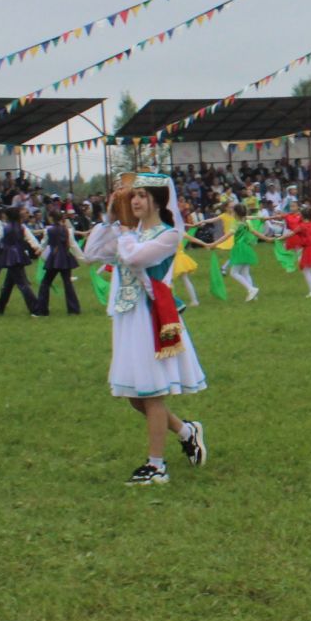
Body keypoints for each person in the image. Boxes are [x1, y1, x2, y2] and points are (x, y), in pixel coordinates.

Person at [81, 173, 209, 486]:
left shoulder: (168, 235)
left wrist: (123, 230)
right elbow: (91, 254)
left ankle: (156, 466)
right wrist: (110, 219)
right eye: (131, 195)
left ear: (157, 198)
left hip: (151, 318)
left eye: (141, 195)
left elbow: (134, 257)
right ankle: (185, 430)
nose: (135, 201)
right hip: (127, 318)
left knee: (152, 394)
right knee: (135, 395)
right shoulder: (129, 232)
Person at [0, 206, 46, 315]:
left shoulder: (4, 228)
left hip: (9, 256)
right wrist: (38, 248)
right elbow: (32, 239)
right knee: (9, 284)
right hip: (19, 255)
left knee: (22, 284)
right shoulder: (22, 227)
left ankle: (36, 308)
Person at [37, 213, 83, 315]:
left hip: (54, 258)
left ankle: (42, 309)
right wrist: (81, 257)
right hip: (66, 258)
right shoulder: (67, 230)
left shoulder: (48, 230)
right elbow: (73, 244)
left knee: (45, 283)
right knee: (68, 283)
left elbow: (44, 243)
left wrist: (39, 250)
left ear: (51, 218)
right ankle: (74, 309)